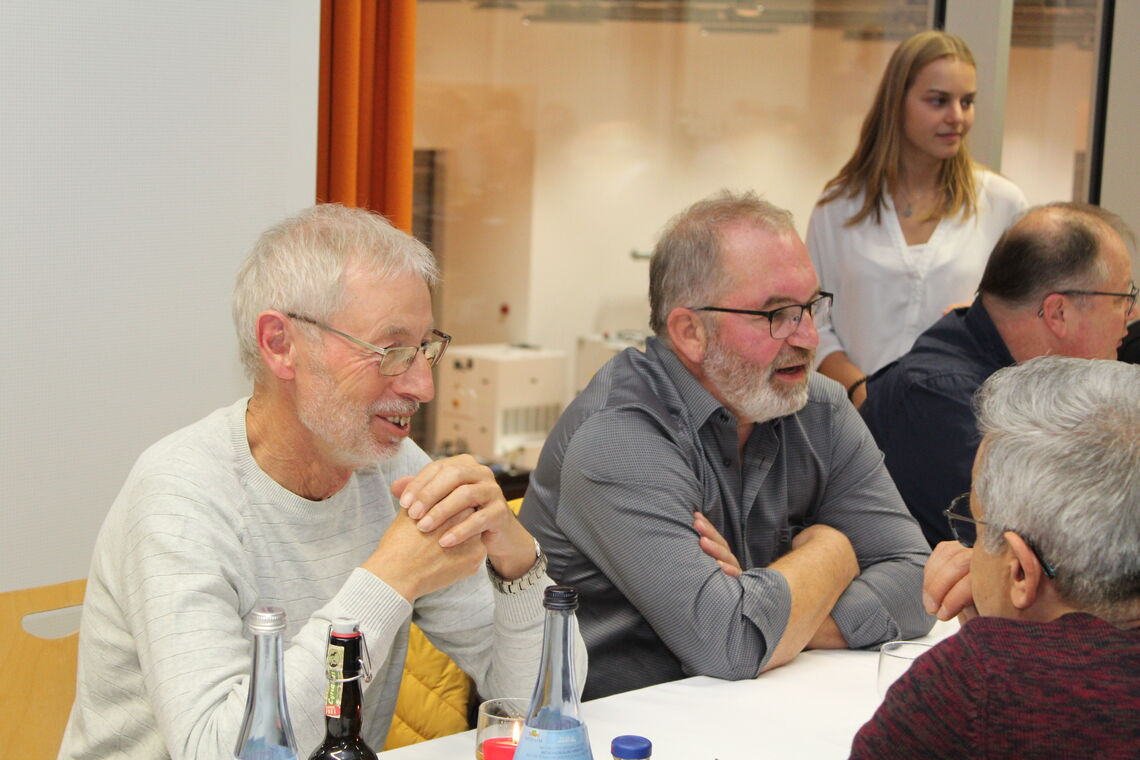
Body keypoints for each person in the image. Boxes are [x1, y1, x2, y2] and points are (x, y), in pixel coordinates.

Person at [59, 205, 583, 759]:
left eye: (425, 349)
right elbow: (222, 751)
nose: (423, 386)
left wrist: (519, 564)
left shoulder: (394, 467)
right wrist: (391, 578)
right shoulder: (181, 495)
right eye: (391, 352)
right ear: (280, 344)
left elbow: (543, 704)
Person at [520, 190, 933, 701]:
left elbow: (919, 582)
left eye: (810, 307)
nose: (808, 337)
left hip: (752, 706)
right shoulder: (618, 438)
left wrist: (779, 619)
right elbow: (731, 644)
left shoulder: (819, 407)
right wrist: (832, 551)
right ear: (691, 332)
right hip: (609, 726)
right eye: (777, 314)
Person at [850, 356, 1140, 759]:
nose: (966, 552)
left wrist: (994, 648)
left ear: (1020, 571)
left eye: (977, 525)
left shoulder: (974, 685)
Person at [860, 202, 1138, 546]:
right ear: (1058, 312)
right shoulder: (944, 399)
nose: (1132, 313)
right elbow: (1066, 545)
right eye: (1122, 298)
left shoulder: (1019, 375)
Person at [806, 30, 1027, 407]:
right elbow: (813, 321)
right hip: (854, 416)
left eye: (967, 101)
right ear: (897, 102)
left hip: (962, 418)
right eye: (938, 100)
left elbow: (1021, 323)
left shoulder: (1003, 204)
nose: (957, 117)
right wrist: (863, 394)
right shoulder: (839, 206)